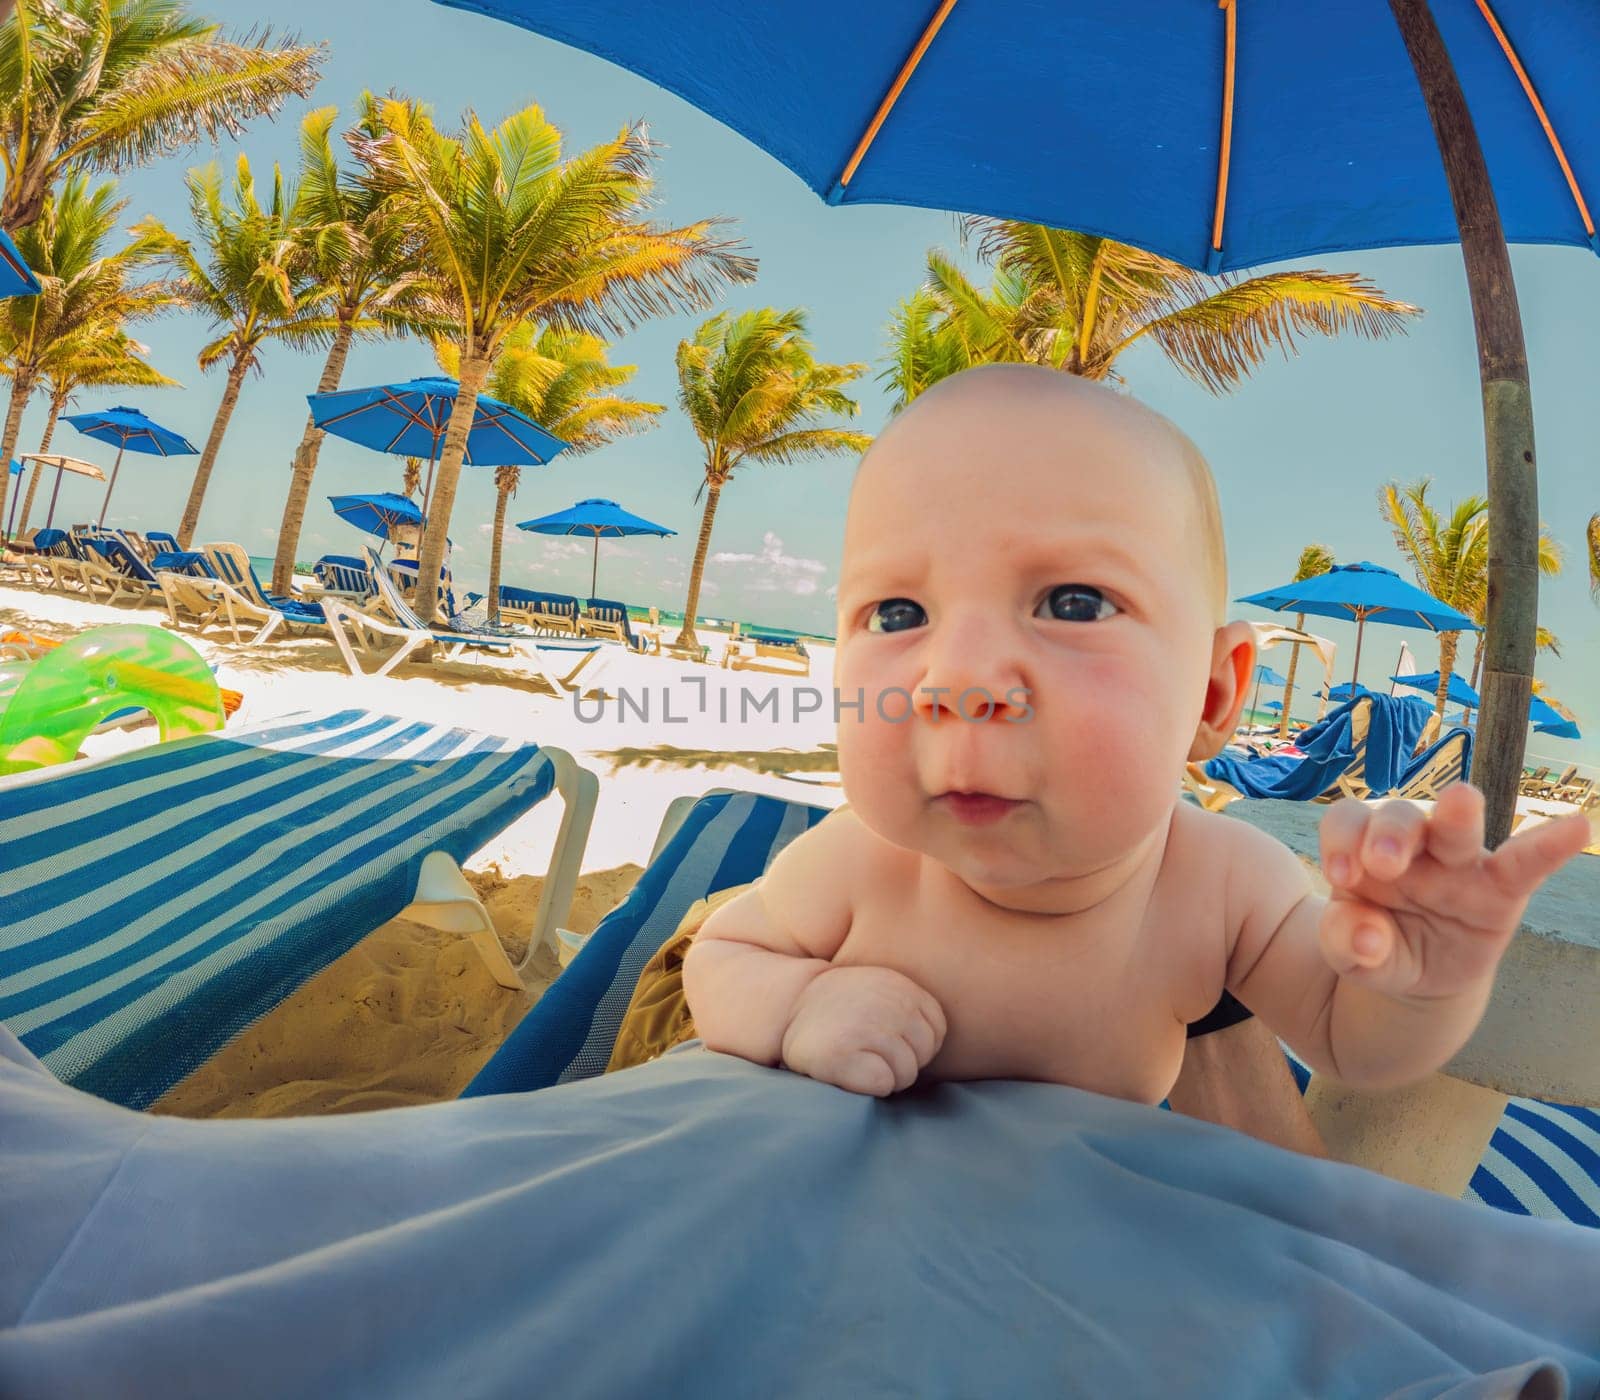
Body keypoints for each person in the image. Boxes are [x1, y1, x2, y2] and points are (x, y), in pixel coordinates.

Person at [680, 365, 1590, 1109]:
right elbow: (722, 956)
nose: (956, 679)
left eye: (1072, 604)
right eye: (898, 611)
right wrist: (802, 1003)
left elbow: (1351, 1040)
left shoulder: (1223, 889)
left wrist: (1421, 983)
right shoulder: (862, 865)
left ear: (1211, 693)